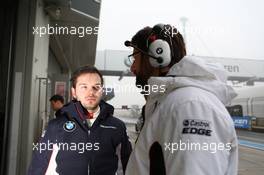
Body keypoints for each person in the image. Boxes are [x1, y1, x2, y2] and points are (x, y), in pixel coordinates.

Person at [124, 24, 238, 175]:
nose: (132, 68)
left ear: (158, 54)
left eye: (135, 57)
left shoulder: (191, 106)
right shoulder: (173, 102)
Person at [28, 65, 132, 175]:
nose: (91, 92)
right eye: (84, 87)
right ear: (74, 92)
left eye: (96, 87)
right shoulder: (56, 126)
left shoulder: (117, 127)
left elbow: (129, 166)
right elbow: (38, 166)